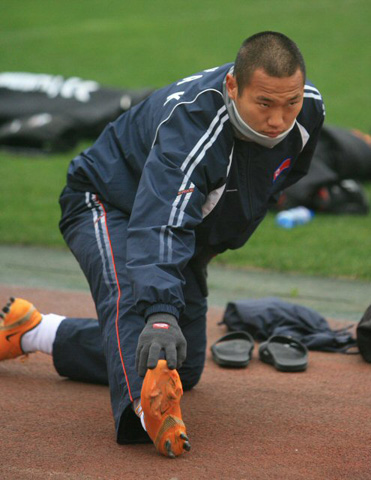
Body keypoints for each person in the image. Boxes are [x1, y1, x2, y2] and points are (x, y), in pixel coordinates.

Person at [0, 31, 325, 458]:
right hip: (105, 198)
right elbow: (158, 224)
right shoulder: (191, 129)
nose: (279, 119)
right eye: (263, 103)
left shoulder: (309, 110)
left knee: (183, 367)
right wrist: (158, 312)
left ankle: (31, 330)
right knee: (137, 305)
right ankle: (143, 409)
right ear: (233, 86)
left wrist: (206, 247)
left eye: (290, 102)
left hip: (172, 218)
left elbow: (274, 179)